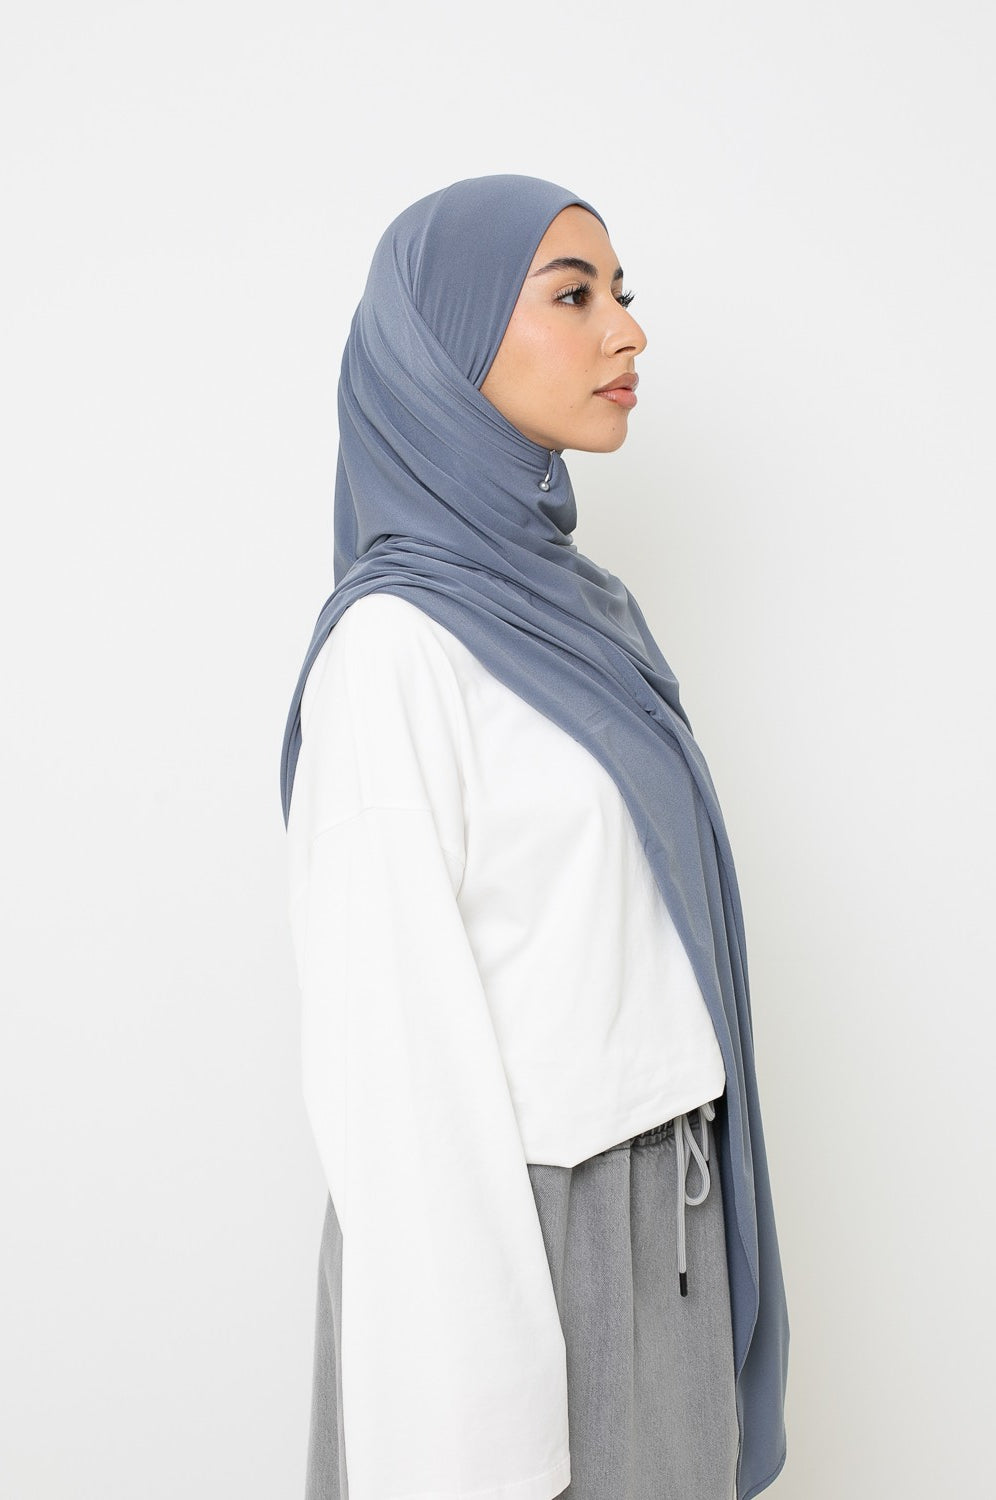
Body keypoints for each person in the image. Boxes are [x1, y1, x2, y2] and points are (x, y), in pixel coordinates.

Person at [280, 174, 790, 1500]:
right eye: (573, 295)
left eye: (622, 293)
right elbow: (392, 1070)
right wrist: (476, 1421)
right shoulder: (395, 653)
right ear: (441, 349)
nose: (627, 330)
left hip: (665, 1218)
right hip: (512, 1250)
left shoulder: (586, 613)